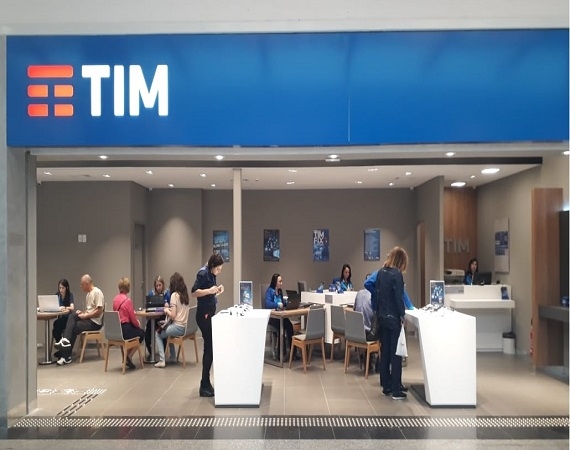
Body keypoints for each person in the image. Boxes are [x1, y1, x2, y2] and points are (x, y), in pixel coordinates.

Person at [365, 246, 408, 400]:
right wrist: (402, 314)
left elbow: (376, 294)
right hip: (393, 319)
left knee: (385, 353)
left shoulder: (381, 272)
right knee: (396, 354)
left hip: (382, 317)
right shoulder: (397, 274)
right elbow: (398, 297)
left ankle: (386, 386)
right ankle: (396, 389)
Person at [191, 253, 224, 398]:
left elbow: (209, 294)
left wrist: (216, 291)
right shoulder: (203, 273)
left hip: (209, 312)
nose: (219, 271)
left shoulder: (211, 274)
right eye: (218, 269)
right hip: (203, 314)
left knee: (210, 347)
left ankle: (206, 382)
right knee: (209, 347)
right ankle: (204, 383)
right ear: (212, 266)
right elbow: (194, 292)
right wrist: (210, 291)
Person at [55, 274, 104, 366]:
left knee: (73, 327)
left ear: (87, 284)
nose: (81, 286)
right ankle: (65, 341)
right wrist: (82, 312)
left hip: (95, 323)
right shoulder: (88, 294)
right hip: (88, 319)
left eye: (82, 284)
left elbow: (99, 311)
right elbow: (89, 310)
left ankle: (66, 356)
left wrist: (86, 316)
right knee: (72, 316)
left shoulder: (97, 292)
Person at [154, 272, 190, 368]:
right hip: (185, 327)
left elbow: (173, 316)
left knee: (158, 334)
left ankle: (162, 360)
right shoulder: (184, 295)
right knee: (168, 331)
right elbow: (178, 312)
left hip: (177, 327)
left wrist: (166, 310)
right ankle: (173, 356)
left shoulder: (174, 295)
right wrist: (170, 310)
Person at [112, 277, 145, 370]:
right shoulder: (127, 301)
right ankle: (129, 356)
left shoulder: (115, 299)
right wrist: (138, 324)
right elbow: (133, 319)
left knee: (135, 332)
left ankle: (127, 357)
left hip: (117, 330)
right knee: (141, 333)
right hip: (125, 330)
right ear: (128, 287)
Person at [265, 273, 294, 360]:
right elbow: (268, 304)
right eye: (280, 281)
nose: (281, 283)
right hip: (274, 318)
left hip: (281, 316)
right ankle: (281, 354)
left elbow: (282, 302)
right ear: (275, 282)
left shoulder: (280, 291)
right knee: (281, 329)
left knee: (290, 327)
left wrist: (288, 302)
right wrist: (277, 304)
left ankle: (293, 353)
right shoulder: (269, 291)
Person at [145, 275, 172, 357]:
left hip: (163, 318)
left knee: (162, 331)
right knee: (147, 335)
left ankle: (162, 354)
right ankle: (151, 353)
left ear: (163, 285)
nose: (158, 287)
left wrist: (168, 305)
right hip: (153, 318)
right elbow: (148, 305)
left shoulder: (167, 293)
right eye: (157, 285)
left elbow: (172, 307)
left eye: (160, 285)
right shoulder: (151, 293)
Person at [52, 279, 75, 359]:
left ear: (66, 288)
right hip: (61, 318)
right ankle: (61, 348)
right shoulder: (57, 295)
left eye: (63, 288)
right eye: (60, 288)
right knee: (55, 329)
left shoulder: (70, 295)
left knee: (57, 324)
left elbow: (72, 307)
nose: (61, 290)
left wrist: (64, 307)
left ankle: (62, 350)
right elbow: (53, 305)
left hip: (68, 319)